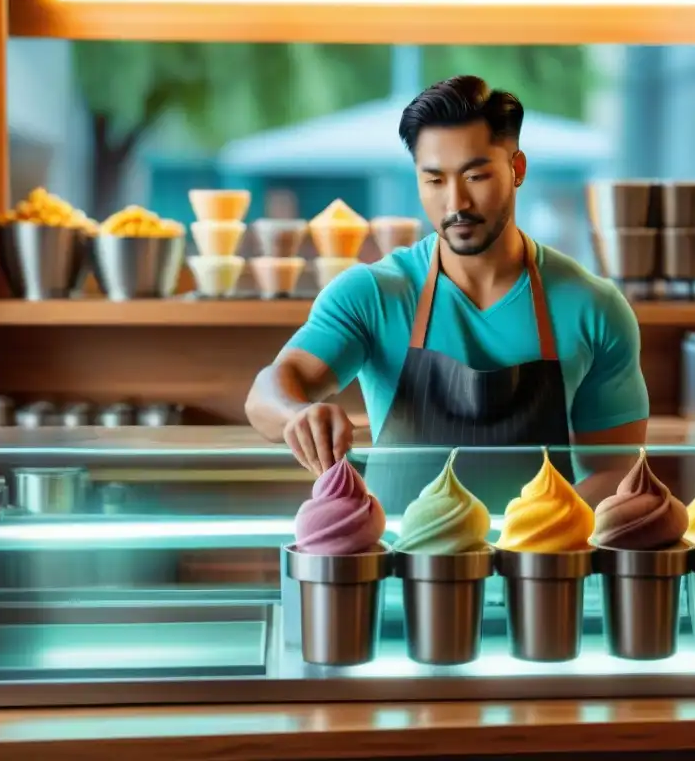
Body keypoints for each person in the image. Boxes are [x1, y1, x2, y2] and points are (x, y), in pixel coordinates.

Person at [246, 75, 648, 507]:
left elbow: (616, 468)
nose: (456, 202)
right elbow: (266, 395)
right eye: (434, 180)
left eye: (475, 176)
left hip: (538, 566)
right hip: (401, 566)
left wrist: (531, 532)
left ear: (517, 170)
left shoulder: (594, 307)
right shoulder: (373, 294)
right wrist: (297, 414)